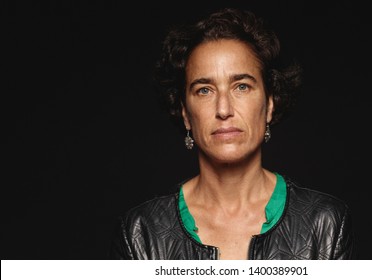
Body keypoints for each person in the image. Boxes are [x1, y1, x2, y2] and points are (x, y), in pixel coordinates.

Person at [110, 7, 354, 260]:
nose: (223, 109)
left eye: (242, 86)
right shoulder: (141, 231)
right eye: (204, 90)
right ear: (185, 113)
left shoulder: (324, 222)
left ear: (270, 104)